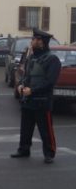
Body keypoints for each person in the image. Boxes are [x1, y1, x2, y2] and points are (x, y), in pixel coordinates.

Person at [11, 28, 61, 164]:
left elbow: (49, 82)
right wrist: (21, 85)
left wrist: (32, 90)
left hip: (42, 102)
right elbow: (26, 75)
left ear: (41, 42)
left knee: (46, 130)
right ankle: (23, 150)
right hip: (28, 100)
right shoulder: (32, 57)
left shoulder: (52, 59)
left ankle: (49, 153)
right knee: (25, 129)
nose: (31, 41)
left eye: (34, 39)